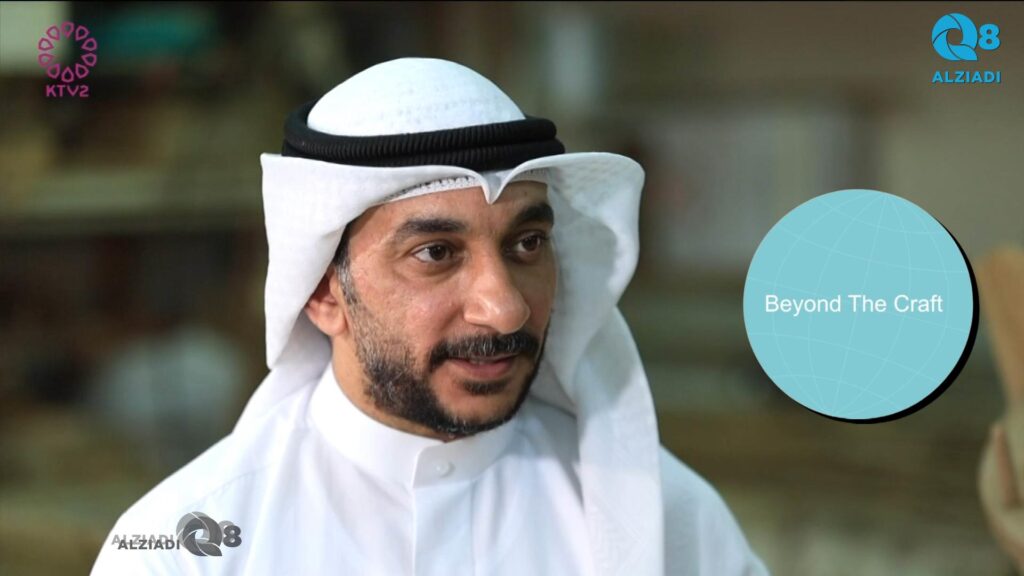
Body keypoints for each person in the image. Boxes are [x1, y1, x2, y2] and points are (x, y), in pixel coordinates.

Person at [91, 57, 768, 575]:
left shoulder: (668, 520)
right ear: (323, 294)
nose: (505, 307)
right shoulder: (186, 547)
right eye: (436, 253)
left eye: (527, 244)